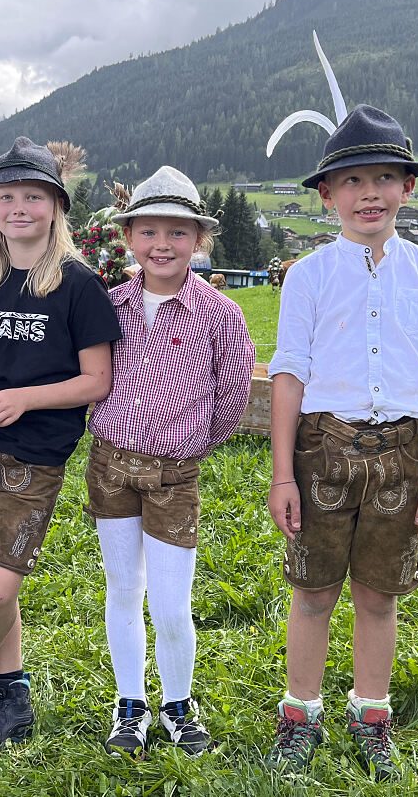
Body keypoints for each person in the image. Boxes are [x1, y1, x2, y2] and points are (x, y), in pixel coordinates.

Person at [265, 105, 418, 780]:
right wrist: (282, 475)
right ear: (327, 195)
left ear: (409, 187)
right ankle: (301, 714)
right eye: (352, 181)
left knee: (379, 593)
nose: (370, 192)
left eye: (386, 176)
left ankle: (371, 712)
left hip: (402, 457)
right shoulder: (309, 276)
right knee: (314, 590)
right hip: (322, 451)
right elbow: (289, 377)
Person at [0, 136, 121, 754]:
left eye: (32, 196)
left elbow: (97, 381)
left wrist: (25, 400)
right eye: (6, 196)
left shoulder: (77, 286)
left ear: (56, 207)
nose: (18, 207)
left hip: (36, 457)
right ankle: (13, 699)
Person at [85, 166, 255, 757]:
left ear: (198, 241)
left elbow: (233, 397)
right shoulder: (109, 307)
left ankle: (178, 703)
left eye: (178, 233)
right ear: (129, 237)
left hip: (173, 474)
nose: (163, 245)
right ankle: (129, 702)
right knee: (122, 588)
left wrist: (189, 443)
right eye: (149, 232)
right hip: (110, 466)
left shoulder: (220, 315)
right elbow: (90, 375)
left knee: (171, 599)